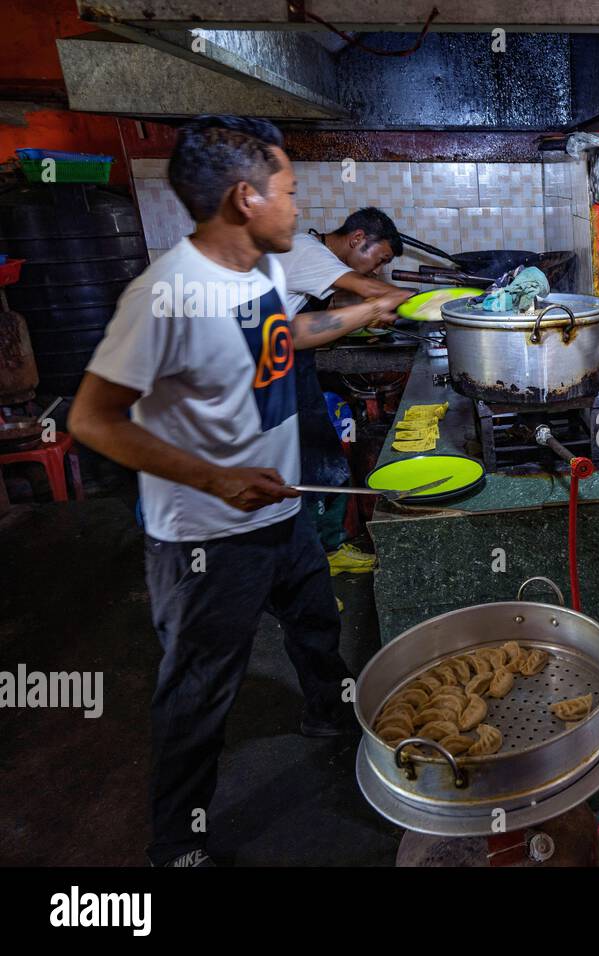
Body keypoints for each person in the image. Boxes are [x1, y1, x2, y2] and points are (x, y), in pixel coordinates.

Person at [68, 115, 409, 867]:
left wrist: (366, 308)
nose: (297, 207)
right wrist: (215, 477)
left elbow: (286, 338)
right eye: (287, 192)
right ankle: (175, 846)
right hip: (206, 537)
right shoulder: (165, 295)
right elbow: (92, 418)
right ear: (244, 199)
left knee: (315, 625)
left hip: (279, 511)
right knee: (197, 693)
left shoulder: (260, 272)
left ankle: (328, 717)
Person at [275, 208, 408, 576]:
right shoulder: (308, 251)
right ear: (357, 239)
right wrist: (423, 303)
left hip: (293, 363)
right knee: (311, 462)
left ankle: (326, 549)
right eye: (379, 259)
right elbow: (370, 290)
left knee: (321, 457)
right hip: (276, 370)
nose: (377, 270)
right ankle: (311, 562)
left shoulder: (313, 254)